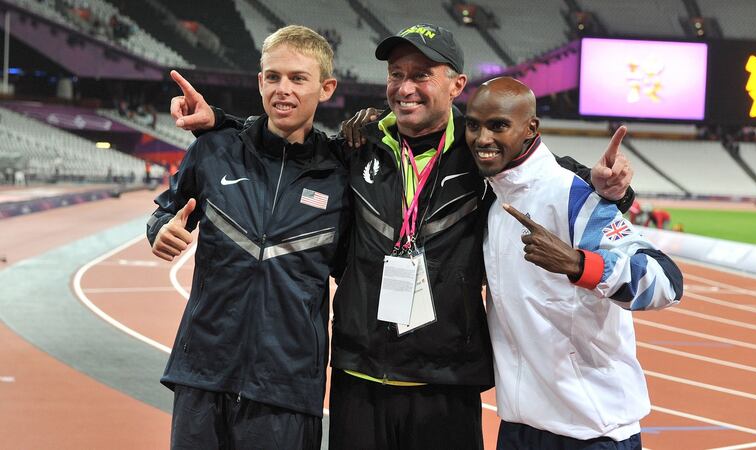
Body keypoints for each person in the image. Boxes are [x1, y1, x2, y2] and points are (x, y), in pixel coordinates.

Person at [170, 23, 635, 450]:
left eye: (422, 74)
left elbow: (547, 178)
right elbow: (288, 142)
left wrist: (614, 188)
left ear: (456, 85)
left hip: (445, 382)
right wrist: (222, 123)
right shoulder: (357, 146)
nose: (406, 87)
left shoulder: (481, 158)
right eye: (397, 74)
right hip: (360, 376)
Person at [146, 25, 350, 450]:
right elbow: (167, 210)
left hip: (287, 385)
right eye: (273, 77)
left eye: (298, 78)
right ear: (260, 82)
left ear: (326, 87)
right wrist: (160, 230)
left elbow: (352, 270)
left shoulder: (341, 175)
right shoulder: (213, 150)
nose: (283, 89)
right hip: (203, 370)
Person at [465, 77, 683, 449]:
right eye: (473, 125)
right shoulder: (494, 200)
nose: (482, 138)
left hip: (592, 430)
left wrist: (581, 265)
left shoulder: (572, 195)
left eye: (498, 125)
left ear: (531, 128)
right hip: (520, 427)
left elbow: (666, 282)